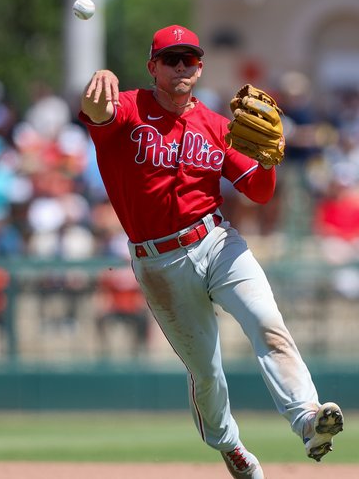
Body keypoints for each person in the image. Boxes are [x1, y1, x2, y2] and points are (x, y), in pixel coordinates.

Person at [78, 24, 343, 478]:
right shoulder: (129, 108)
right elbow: (96, 112)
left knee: (267, 322)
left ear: (200, 68)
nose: (181, 66)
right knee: (206, 371)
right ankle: (230, 445)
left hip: (216, 240)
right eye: (171, 59)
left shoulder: (219, 127)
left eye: (190, 59)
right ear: (152, 67)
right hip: (159, 262)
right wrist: (96, 87)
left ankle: (307, 419)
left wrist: (267, 159)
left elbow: (259, 193)